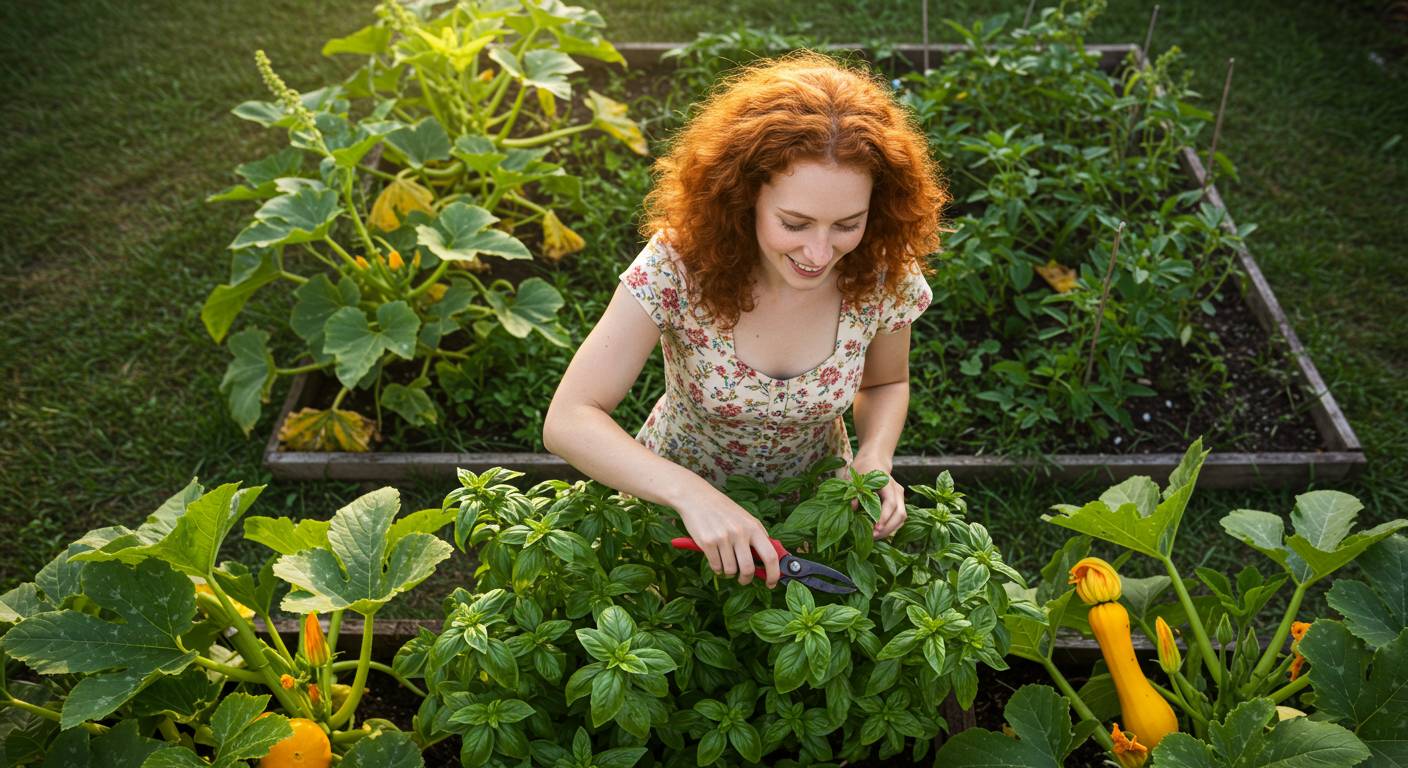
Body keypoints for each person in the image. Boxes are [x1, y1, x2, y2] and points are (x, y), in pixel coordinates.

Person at [543, 51, 946, 590]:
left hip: (816, 509)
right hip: (675, 506)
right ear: (745, 195)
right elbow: (569, 418)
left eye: (847, 223)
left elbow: (887, 381)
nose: (820, 252)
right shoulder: (678, 265)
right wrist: (691, 495)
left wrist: (874, 459)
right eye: (795, 222)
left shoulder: (881, 271)